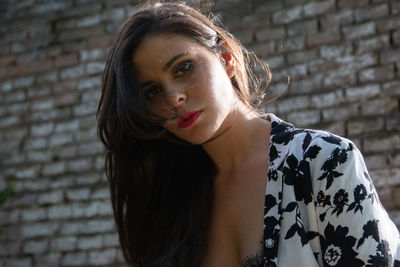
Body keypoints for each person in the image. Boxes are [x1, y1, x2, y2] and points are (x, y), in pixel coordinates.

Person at [97, 1, 400, 266]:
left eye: (183, 68)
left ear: (226, 58)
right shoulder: (171, 199)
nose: (173, 97)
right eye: (151, 93)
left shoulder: (323, 162)